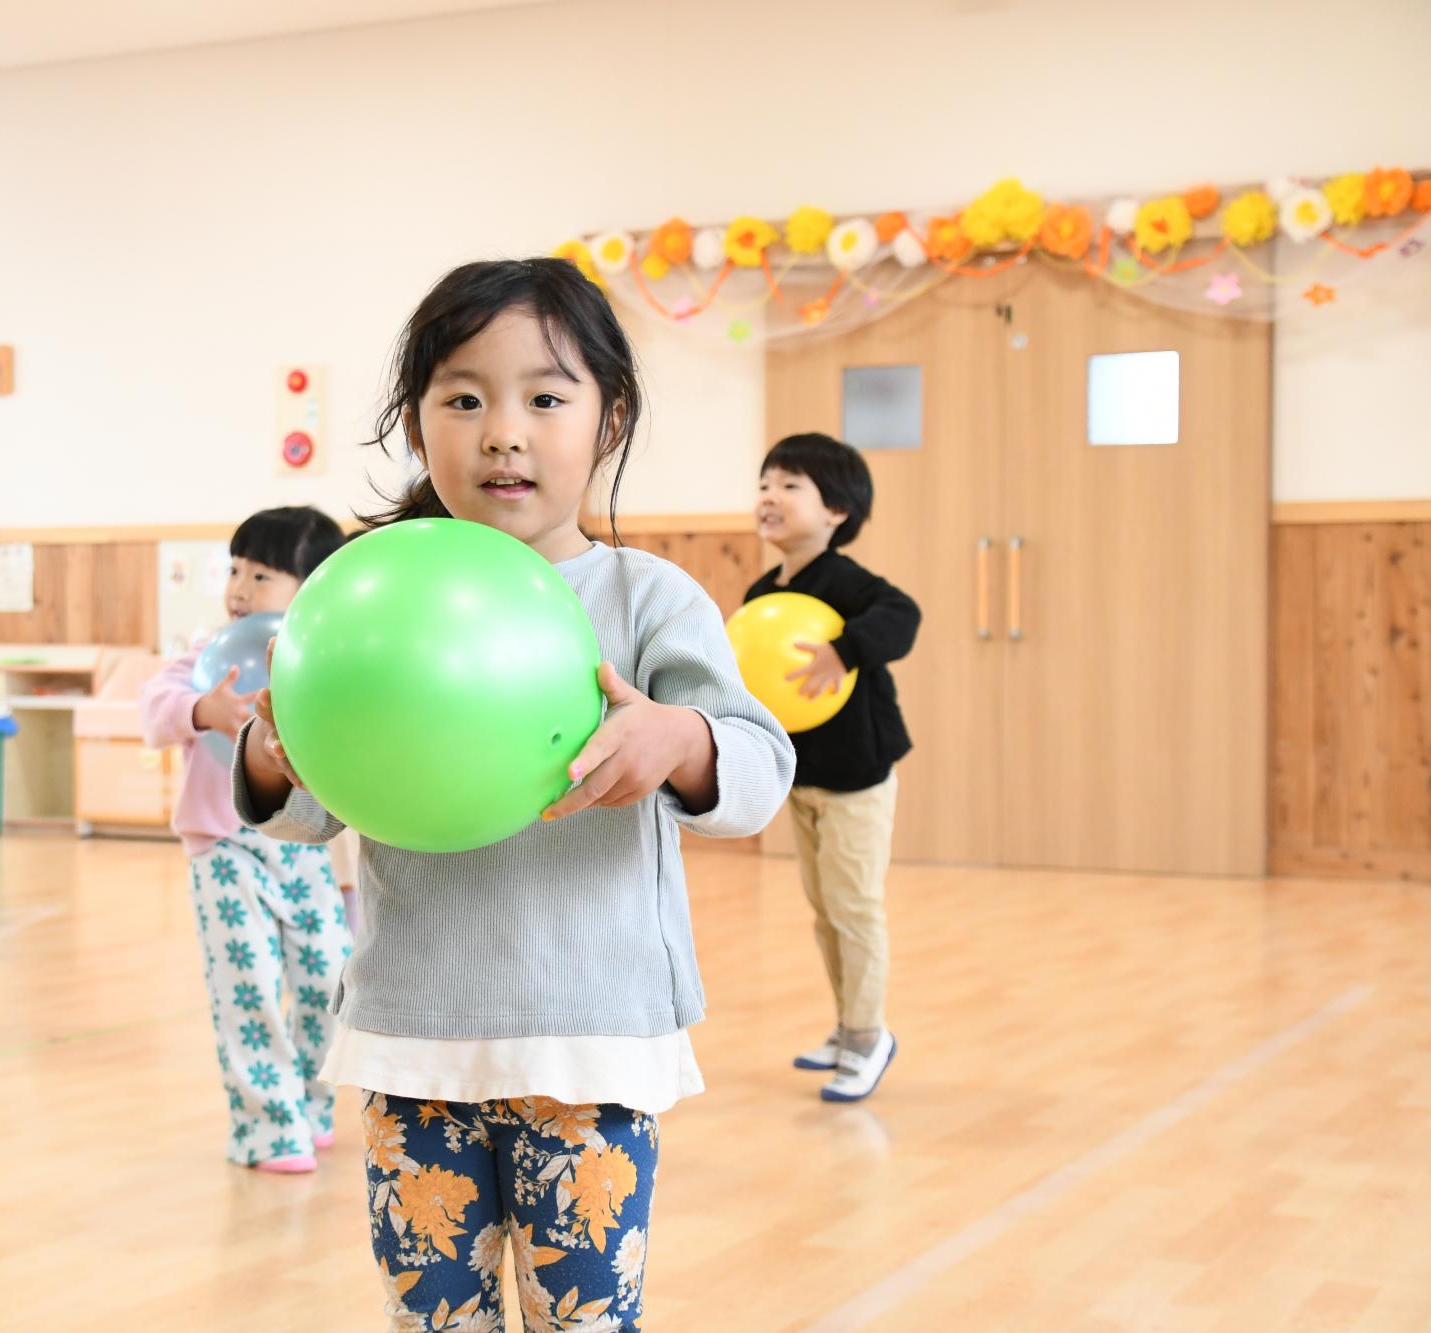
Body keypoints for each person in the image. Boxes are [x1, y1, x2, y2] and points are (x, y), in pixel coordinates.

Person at [238, 259, 794, 1326]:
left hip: (587, 1039)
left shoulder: (643, 597)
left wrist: (677, 736)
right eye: (462, 398)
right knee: (433, 1317)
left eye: (545, 397)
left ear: (609, 418)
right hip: (413, 1033)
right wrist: (275, 750)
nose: (503, 431)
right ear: (416, 423)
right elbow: (307, 805)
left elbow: (756, 768)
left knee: (581, 1318)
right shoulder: (371, 593)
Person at [139, 506, 354, 1172]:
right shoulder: (210, 656)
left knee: (328, 982)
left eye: (261, 575)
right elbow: (154, 707)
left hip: (310, 852)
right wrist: (203, 708)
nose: (238, 587)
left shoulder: (329, 663)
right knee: (250, 989)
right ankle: (265, 1126)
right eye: (234, 569)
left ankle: (311, 1106)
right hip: (224, 849)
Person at [750, 432, 921, 1102]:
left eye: (791, 485)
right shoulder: (766, 590)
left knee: (855, 907)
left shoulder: (847, 583)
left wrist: (843, 650)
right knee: (824, 910)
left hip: (858, 773)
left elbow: (903, 616)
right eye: (766, 482)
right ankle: (845, 1025)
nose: (770, 495)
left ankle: (868, 1035)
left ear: (837, 512)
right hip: (805, 774)